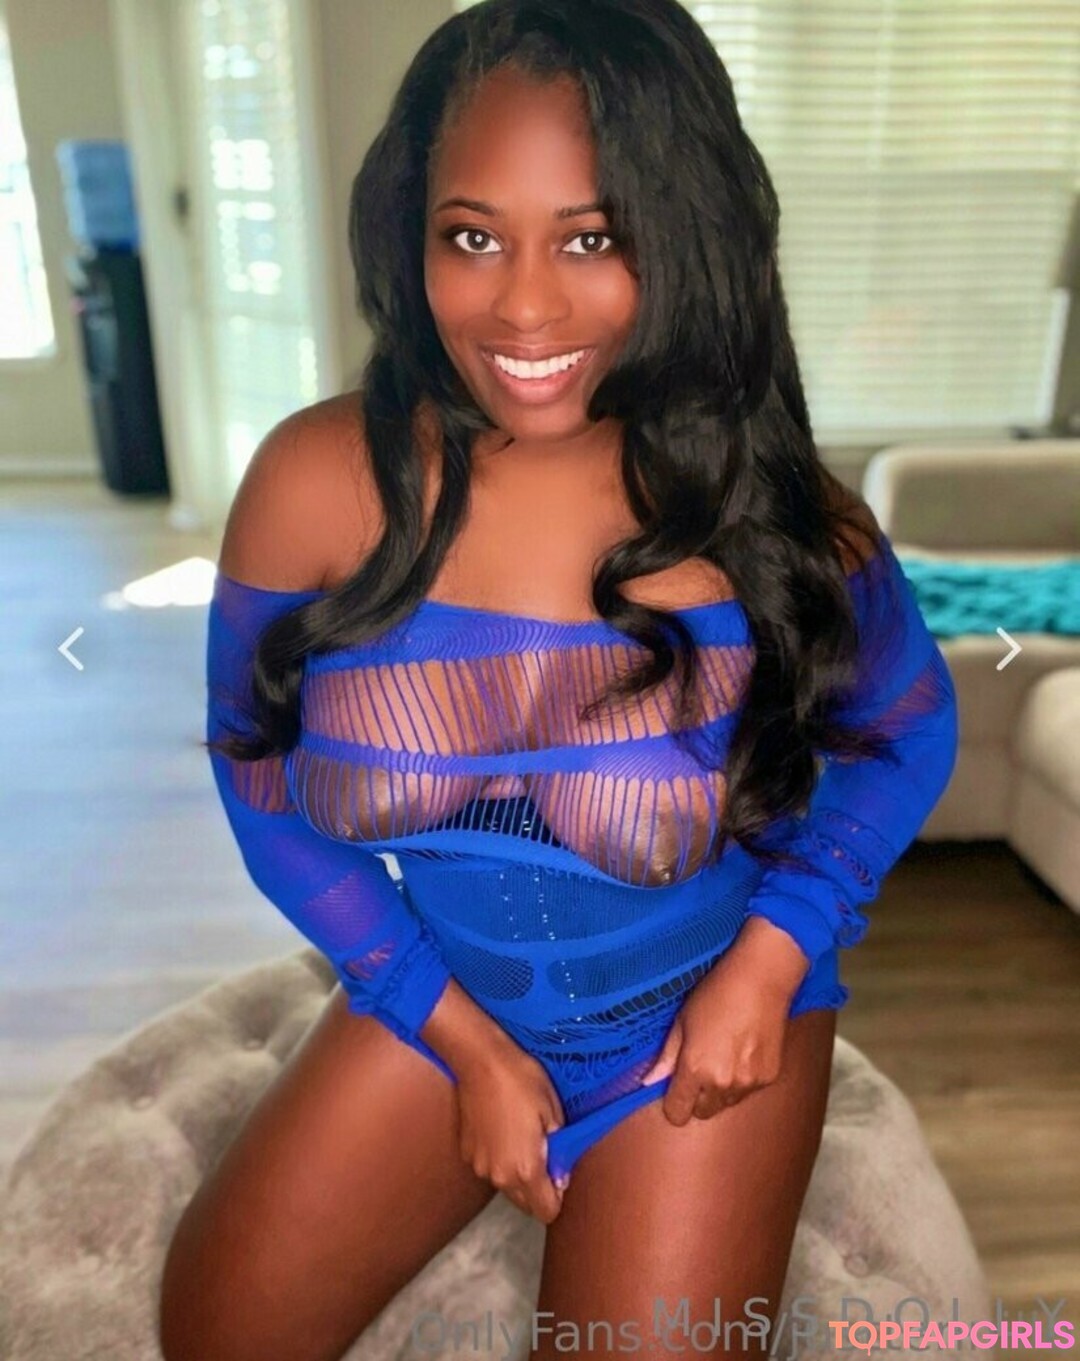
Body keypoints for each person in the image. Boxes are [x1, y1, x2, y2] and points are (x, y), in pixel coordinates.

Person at [159, 2, 959, 1358]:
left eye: (592, 238)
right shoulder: (315, 484)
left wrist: (773, 958)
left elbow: (907, 737)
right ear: (413, 236)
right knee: (213, 1332)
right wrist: (463, 1044)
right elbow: (261, 785)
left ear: (682, 235)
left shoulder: (770, 512)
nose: (523, 307)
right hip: (448, 992)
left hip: (694, 1020)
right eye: (473, 237)